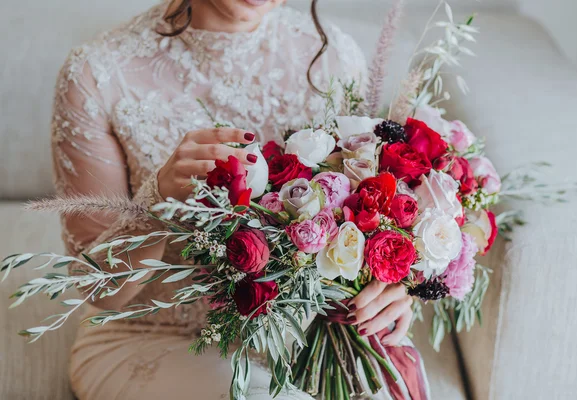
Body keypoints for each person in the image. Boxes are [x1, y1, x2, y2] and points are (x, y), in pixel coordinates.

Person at [53, 0, 414, 398]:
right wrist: (161, 198)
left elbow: (362, 213)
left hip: (310, 336)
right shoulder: (97, 74)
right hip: (157, 335)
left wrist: (390, 285)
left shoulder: (335, 59)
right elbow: (97, 287)